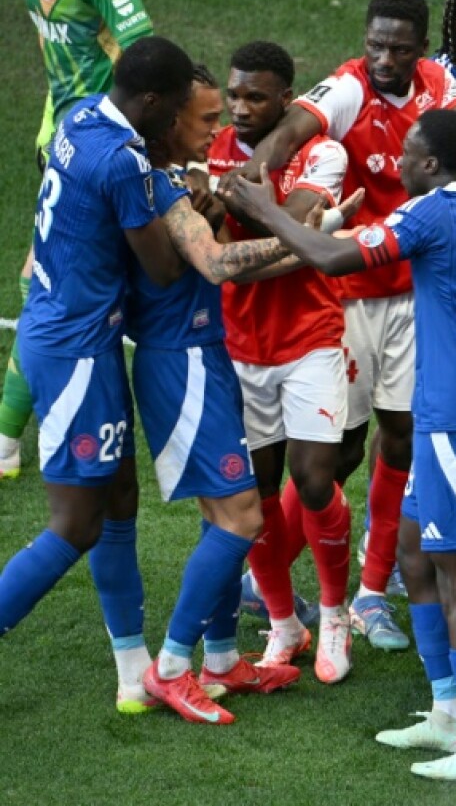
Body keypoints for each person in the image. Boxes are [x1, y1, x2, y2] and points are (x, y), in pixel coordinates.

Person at [218, 109, 456, 782]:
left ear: (427, 165)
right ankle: (449, 709)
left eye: (406, 155)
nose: (395, 164)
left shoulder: (431, 214)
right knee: (417, 554)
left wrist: (261, 206)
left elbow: (335, 257)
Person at [241, 0, 456, 666]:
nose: (385, 59)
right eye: (375, 44)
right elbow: (293, 130)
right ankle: (268, 570)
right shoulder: (349, 87)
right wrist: (249, 178)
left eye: (399, 48)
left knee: (402, 437)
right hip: (348, 292)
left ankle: (372, 590)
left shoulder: (438, 82)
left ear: (419, 47)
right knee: (338, 452)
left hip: (413, 293)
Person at [0, 37, 192, 710]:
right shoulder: (123, 160)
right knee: (76, 524)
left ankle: (131, 670)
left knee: (119, 496)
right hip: (78, 351)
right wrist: (191, 198)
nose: (175, 122)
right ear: (149, 100)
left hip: (63, 330)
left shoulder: (82, 116)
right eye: (172, 110)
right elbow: (164, 268)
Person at [132, 65, 308, 722]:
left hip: (206, 354)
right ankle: (171, 666)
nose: (219, 127)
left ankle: (222, 659)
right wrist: (310, 241)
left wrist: (327, 247)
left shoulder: (180, 178)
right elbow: (217, 264)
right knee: (241, 517)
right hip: (182, 364)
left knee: (223, 516)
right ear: (168, 117)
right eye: (207, 118)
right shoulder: (156, 185)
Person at [207, 40, 363, 679]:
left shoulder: (323, 152)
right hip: (242, 346)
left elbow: (283, 229)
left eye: (257, 97)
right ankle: (282, 623)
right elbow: (258, 246)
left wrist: (228, 220)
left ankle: (333, 615)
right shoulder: (214, 144)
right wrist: (308, 240)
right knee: (260, 492)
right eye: (235, 93)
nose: (241, 109)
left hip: (311, 338)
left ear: (287, 98)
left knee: (317, 478)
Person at [0, 0, 154, 479]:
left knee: (48, 279)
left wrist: (116, 137)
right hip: (63, 138)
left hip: (96, 148)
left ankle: (12, 439)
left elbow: (143, 53)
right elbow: (63, 61)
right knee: (46, 279)